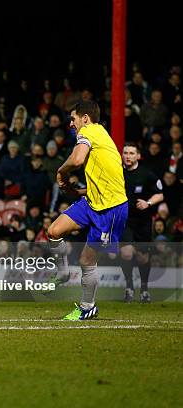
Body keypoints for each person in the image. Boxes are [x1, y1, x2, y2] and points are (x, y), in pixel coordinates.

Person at [47, 100, 128, 320]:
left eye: (73, 119)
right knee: (54, 232)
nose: (71, 124)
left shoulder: (91, 131)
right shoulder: (100, 135)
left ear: (85, 118)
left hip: (111, 210)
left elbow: (77, 159)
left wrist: (61, 172)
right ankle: (62, 272)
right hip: (92, 201)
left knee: (86, 261)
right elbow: (104, 178)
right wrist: (79, 192)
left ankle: (87, 306)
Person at [120, 143, 163, 303]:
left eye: (131, 153)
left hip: (143, 222)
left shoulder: (147, 174)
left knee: (143, 257)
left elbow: (160, 194)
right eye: (125, 153)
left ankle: (144, 289)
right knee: (126, 252)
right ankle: (129, 287)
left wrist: (148, 203)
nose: (128, 156)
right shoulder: (117, 173)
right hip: (124, 221)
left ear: (138, 156)